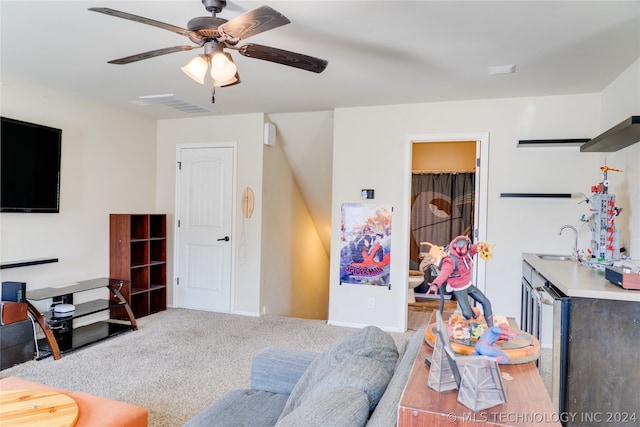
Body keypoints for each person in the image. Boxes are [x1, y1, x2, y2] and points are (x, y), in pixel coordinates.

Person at [426, 235, 495, 328]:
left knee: (486, 302)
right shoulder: (450, 260)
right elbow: (444, 273)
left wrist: (482, 246)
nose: (462, 253)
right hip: (458, 287)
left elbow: (476, 248)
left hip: (467, 284)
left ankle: (491, 329)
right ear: (455, 247)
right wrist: (435, 284)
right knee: (467, 314)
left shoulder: (468, 252)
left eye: (464, 250)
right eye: (459, 250)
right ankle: (470, 330)